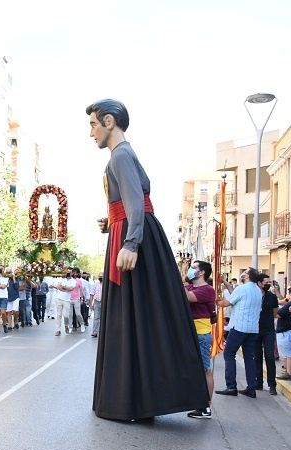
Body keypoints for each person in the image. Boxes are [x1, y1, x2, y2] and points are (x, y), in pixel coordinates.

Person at [87, 99, 208, 420]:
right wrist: (111, 223)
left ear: (109, 122)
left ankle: (135, 400)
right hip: (128, 231)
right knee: (141, 319)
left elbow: (136, 203)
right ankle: (142, 399)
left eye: (93, 124)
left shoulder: (120, 156)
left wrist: (130, 242)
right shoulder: (123, 155)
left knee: (134, 318)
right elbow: (128, 203)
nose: (91, 132)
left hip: (133, 238)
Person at [216, 268, 262, 398]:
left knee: (229, 354)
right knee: (249, 357)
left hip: (239, 327)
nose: (242, 274)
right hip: (252, 328)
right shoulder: (257, 290)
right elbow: (235, 295)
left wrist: (215, 300)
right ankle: (251, 388)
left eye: (245, 272)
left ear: (247, 276)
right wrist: (225, 282)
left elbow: (226, 302)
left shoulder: (242, 289)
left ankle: (231, 387)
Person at [184, 260, 217, 419]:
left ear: (202, 272)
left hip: (202, 335)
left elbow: (188, 297)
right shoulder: (190, 286)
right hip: (190, 333)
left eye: (194, 267)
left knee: (205, 370)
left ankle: (206, 407)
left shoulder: (208, 290)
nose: (191, 270)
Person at [255, 273, 279, 395]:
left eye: (269, 282)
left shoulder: (272, 297)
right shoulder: (253, 295)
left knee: (270, 357)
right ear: (259, 283)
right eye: (266, 282)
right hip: (255, 330)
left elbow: (275, 313)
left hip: (269, 330)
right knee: (257, 357)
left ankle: (272, 385)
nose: (268, 284)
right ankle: (258, 383)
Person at [276, 287, 291, 382]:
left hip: (286, 331)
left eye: (287, 293)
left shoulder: (290, 304)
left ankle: (289, 373)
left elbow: (278, 314)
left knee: (289, 353)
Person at [89, 273, 103, 338]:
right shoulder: (95, 284)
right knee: (96, 317)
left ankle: (102, 332)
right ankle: (95, 332)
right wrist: (90, 304)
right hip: (97, 302)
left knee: (103, 318)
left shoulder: (106, 284)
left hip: (104, 302)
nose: (101, 277)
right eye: (100, 276)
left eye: (102, 276)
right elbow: (92, 294)